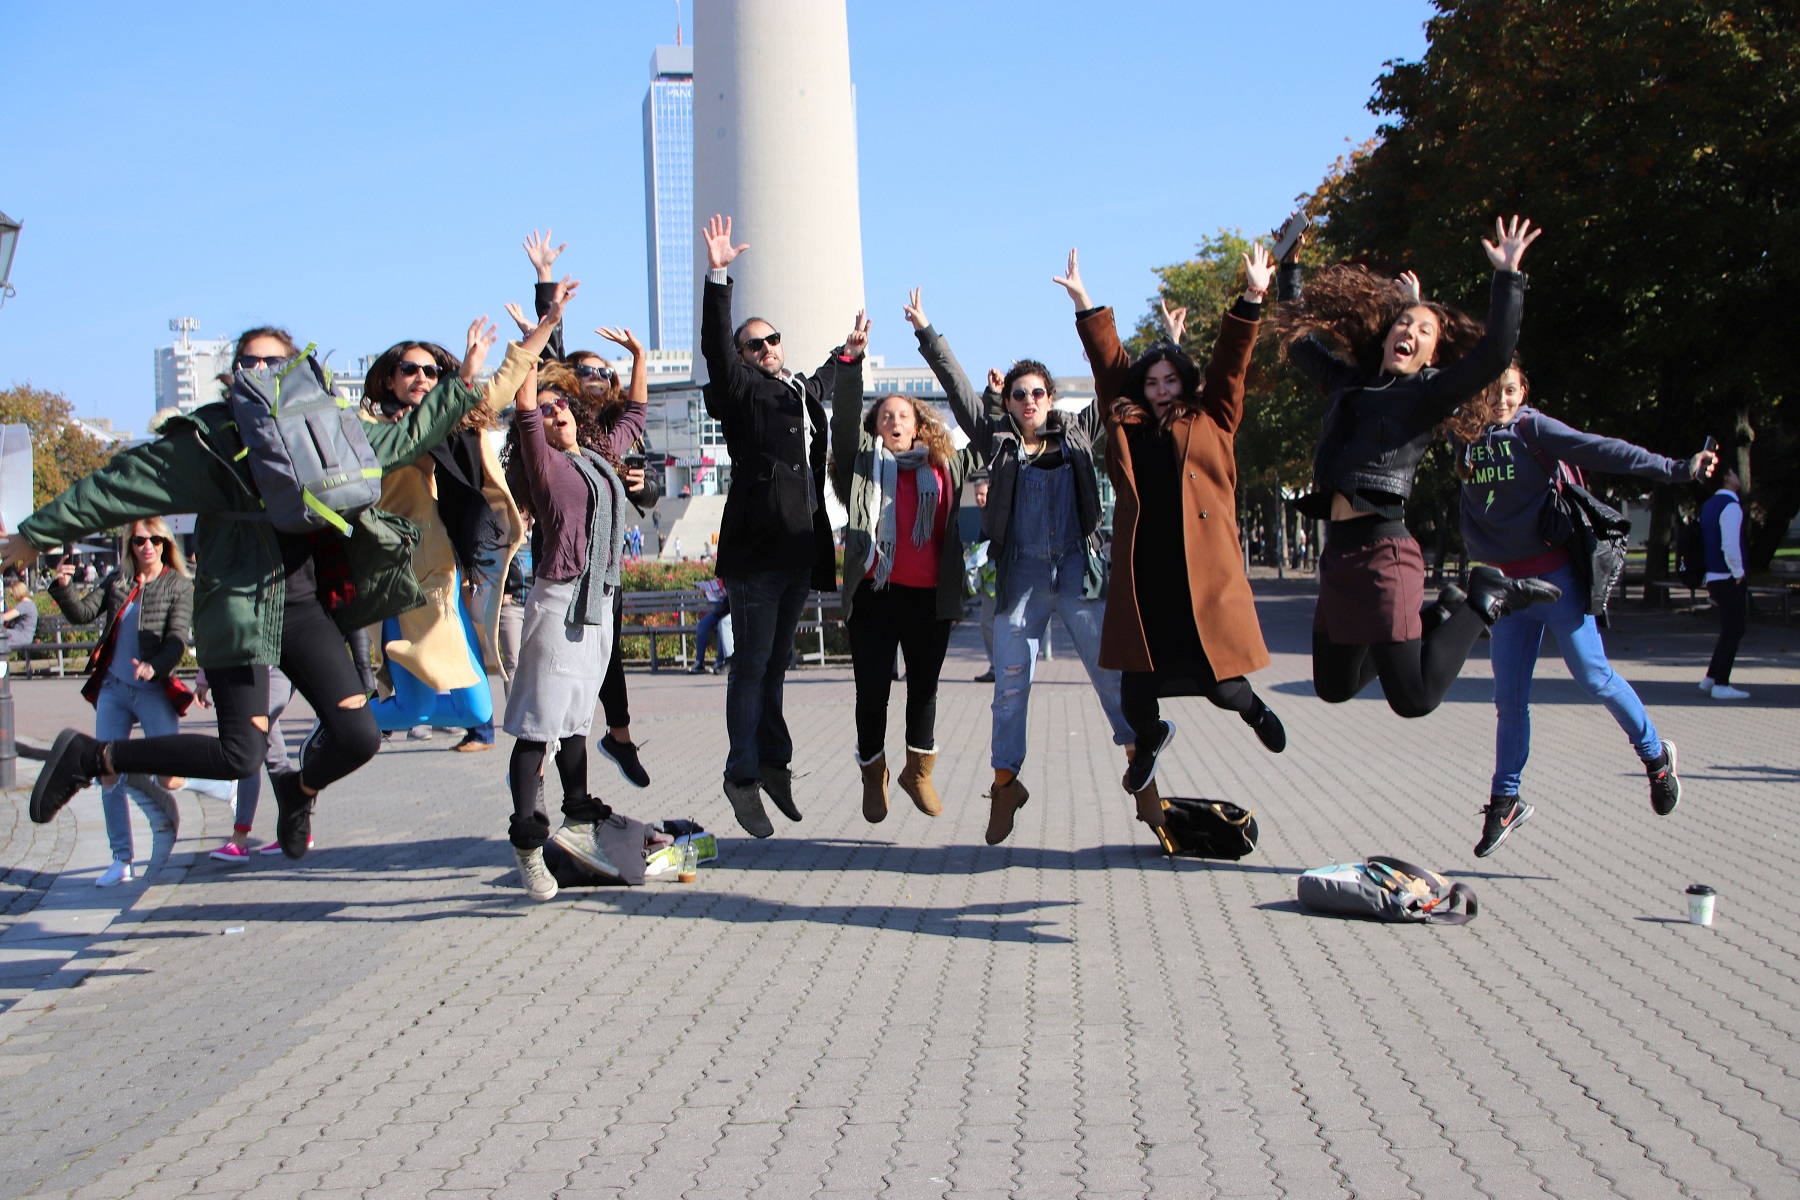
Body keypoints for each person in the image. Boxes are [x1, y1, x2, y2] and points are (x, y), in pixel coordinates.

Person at [9, 301, 560, 858]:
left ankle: (299, 790)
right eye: (250, 363)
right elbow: (121, 484)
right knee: (240, 754)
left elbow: (412, 434)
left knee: (358, 737)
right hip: (240, 607)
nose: (263, 372)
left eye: (276, 362)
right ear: (233, 375)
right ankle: (92, 756)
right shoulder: (210, 440)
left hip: (304, 607)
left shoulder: (329, 432)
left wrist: (479, 369)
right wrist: (35, 534)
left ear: (298, 370)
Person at [1275, 215, 1557, 719]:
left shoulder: (1427, 393)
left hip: (1385, 553)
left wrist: (1509, 276)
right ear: (1387, 335)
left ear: (1431, 354)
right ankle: (1438, 612)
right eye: (1404, 322)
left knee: (1414, 699)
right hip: (1339, 555)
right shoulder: (1348, 382)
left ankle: (1481, 600)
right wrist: (1288, 267)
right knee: (1333, 686)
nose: (1410, 331)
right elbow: (1297, 339)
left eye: (1425, 330)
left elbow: (1495, 353)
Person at [1446, 362, 1716, 855]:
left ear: (1523, 391)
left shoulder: (1533, 429)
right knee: (1509, 700)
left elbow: (1604, 449)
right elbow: (1420, 389)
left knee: (1593, 676)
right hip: (1506, 588)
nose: (1500, 400)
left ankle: (1656, 757)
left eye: (1510, 390)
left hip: (1554, 581)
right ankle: (1505, 800)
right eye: (1491, 391)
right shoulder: (1463, 434)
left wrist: (1679, 468)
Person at [1063, 246, 1288, 826]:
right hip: (1147, 574)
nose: (1161, 389)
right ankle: (1150, 741)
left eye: (1170, 380)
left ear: (1184, 382)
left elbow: (1232, 363)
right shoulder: (1126, 421)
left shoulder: (1213, 417)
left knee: (1222, 685)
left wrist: (1252, 297)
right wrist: (1086, 304)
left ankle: (1256, 712)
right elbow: (1110, 365)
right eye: (1152, 381)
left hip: (1201, 572)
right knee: (1136, 690)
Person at [913, 290, 1136, 846]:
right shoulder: (998, 442)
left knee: (1111, 680)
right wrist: (926, 331)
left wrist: (1086, 305)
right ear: (1009, 403)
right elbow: (958, 390)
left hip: (1078, 573)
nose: (1029, 400)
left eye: (1037, 392)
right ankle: (1004, 787)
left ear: (1050, 398)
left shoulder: (1078, 432)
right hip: (1022, 578)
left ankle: (1144, 777)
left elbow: (1115, 385)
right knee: (1009, 687)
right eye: (1019, 394)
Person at [700, 213, 863, 837]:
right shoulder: (739, 391)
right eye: (755, 344)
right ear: (743, 356)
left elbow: (821, 381)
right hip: (757, 551)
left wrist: (847, 353)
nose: (767, 349)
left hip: (801, 550)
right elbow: (717, 350)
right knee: (750, 665)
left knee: (775, 664)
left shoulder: (796, 390)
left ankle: (773, 764)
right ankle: (741, 775)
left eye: (773, 340)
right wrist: (719, 279)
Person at [830, 289, 986, 823]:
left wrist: (927, 335)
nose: (894, 422)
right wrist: (850, 362)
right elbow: (843, 419)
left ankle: (917, 772)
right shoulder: (859, 466)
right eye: (885, 417)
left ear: (918, 424)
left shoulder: (947, 467)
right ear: (876, 427)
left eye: (903, 416)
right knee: (872, 693)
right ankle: (873, 772)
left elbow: (978, 418)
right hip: (875, 596)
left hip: (929, 601)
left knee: (924, 689)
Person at [518, 230, 660, 787]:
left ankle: (612, 741)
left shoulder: (607, 436)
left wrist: (640, 357)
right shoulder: (553, 421)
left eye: (605, 372)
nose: (596, 378)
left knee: (604, 655)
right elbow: (544, 362)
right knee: (559, 670)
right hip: (559, 556)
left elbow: (639, 425)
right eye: (587, 372)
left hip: (603, 563)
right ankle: (542, 757)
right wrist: (546, 286)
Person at [497, 354, 636, 901]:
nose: (555, 415)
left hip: (598, 602)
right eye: (546, 411)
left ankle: (578, 826)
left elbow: (633, 418)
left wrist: (639, 359)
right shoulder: (546, 465)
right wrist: (538, 335)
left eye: (562, 407)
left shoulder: (598, 460)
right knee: (539, 726)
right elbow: (526, 411)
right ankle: (528, 845)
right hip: (560, 601)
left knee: (576, 721)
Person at [360, 335, 526, 755]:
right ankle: (341, 722)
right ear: (389, 379)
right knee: (422, 706)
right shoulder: (371, 428)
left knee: (471, 708)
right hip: (400, 577)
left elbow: (502, 385)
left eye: (431, 371)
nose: (421, 377)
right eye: (410, 369)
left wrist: (546, 323)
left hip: (444, 577)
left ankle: (345, 720)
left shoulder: (452, 419)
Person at [45, 519, 193, 885]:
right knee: (106, 772)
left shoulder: (177, 584)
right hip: (113, 688)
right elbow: (82, 613)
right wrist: (63, 587)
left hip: (152, 687)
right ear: (130, 545)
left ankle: (222, 785)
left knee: (168, 776)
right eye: (140, 541)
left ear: (165, 543)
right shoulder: (119, 580)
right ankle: (121, 859)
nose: (147, 546)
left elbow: (177, 638)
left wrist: (155, 666)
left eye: (155, 540)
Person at [198, 666, 300, 862]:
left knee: (248, 738)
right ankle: (296, 829)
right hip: (247, 673)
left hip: (279, 667)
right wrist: (203, 678)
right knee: (273, 752)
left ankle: (240, 840)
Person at [1699, 466, 1751, 701]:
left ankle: (1711, 678)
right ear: (1727, 478)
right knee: (1734, 630)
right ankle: (1721, 684)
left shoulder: (1709, 505)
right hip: (1727, 577)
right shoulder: (1730, 506)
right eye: (1734, 473)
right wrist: (1738, 572)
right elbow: (1729, 544)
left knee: (1728, 629)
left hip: (1713, 576)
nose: (1738, 477)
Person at [691, 578, 733, 674]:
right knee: (702, 624)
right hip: (722, 610)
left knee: (722, 624)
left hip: (733, 611)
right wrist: (708, 592)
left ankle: (721, 662)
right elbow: (718, 599)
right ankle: (699, 662)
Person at [3, 578, 37, 651]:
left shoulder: (25, 605)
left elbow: (5, 617)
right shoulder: (28, 603)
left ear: (17, 593)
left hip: (22, 636)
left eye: (12, 594)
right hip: (20, 635)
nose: (12, 596)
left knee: (2, 634)